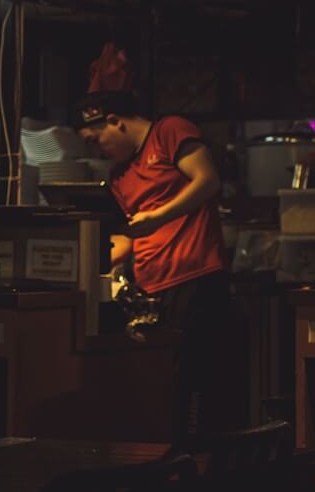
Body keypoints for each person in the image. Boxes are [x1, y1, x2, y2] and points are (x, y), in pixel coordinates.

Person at [76, 90, 227, 448]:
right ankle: (161, 467)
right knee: (158, 385)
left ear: (115, 120)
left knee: (194, 383)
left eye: (96, 138)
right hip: (150, 291)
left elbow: (207, 181)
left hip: (195, 276)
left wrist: (156, 217)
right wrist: (84, 257)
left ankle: (196, 467)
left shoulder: (170, 132)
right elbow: (130, 236)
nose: (97, 149)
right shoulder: (119, 177)